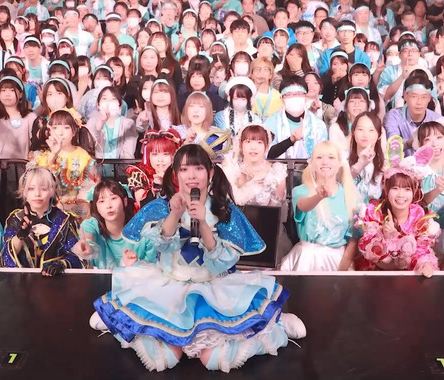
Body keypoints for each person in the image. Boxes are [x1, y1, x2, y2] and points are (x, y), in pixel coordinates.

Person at [90, 144, 304, 373]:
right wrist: (174, 214)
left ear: (210, 172)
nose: (191, 175)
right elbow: (160, 245)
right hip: (169, 285)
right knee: (164, 359)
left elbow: (220, 262)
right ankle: (116, 321)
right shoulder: (161, 206)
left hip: (213, 286)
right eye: (184, 169)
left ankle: (276, 326)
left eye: (198, 168)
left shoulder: (224, 210)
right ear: (175, 175)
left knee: (214, 360)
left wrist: (202, 223)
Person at [280, 141, 362, 271]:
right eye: (319, 157)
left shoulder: (350, 196)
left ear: (339, 163)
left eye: (331, 157)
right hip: (306, 260)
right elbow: (303, 205)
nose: (325, 162)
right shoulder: (301, 190)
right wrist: (319, 196)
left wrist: (341, 272)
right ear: (312, 163)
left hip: (338, 261)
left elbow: (353, 240)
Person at [355, 164, 440, 276]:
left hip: (409, 278)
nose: (401, 195)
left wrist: (424, 264)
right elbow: (372, 256)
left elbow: (421, 250)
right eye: (395, 188)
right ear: (386, 190)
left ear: (414, 192)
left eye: (407, 189)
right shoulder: (374, 213)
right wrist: (385, 237)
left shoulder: (418, 215)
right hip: (375, 276)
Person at [0, 166, 84, 274]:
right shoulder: (15, 219)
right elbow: (5, 259)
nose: (37, 194)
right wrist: (20, 236)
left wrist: (61, 264)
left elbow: (78, 257)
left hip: (57, 281)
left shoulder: (66, 220)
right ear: (24, 192)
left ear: (52, 191)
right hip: (23, 281)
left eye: (43, 189)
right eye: (31, 189)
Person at [74, 179, 155, 269]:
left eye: (113, 198)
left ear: (125, 201)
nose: (108, 206)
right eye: (102, 201)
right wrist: (88, 247)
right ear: (96, 207)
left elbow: (153, 269)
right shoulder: (91, 225)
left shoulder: (144, 233)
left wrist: (136, 264)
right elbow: (89, 239)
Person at [31, 109, 96, 218]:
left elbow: (91, 187)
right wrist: (53, 154)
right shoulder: (43, 157)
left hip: (80, 210)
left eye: (66, 128)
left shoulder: (84, 156)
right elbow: (39, 182)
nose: (60, 133)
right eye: (55, 128)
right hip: (51, 211)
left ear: (74, 132)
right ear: (49, 132)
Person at [221, 125, 287, 207]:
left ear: (266, 147)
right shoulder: (232, 167)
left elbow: (277, 209)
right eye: (248, 142)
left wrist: (269, 185)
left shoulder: (277, 172)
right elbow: (223, 200)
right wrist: (240, 182)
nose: (253, 147)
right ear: (241, 146)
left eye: (259, 142)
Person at [265, 77, 328, 159]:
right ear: (282, 99)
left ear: (306, 97)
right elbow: (266, 154)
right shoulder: (270, 122)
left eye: (299, 94)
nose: (294, 98)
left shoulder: (318, 125)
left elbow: (323, 155)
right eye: (289, 94)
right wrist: (290, 141)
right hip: (277, 166)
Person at [86, 86, 137, 159]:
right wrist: (99, 126)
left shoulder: (128, 124)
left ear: (120, 105)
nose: (108, 102)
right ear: (98, 104)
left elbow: (128, 155)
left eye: (113, 99)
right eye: (104, 99)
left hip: (121, 165)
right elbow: (90, 146)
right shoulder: (92, 122)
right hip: (97, 165)